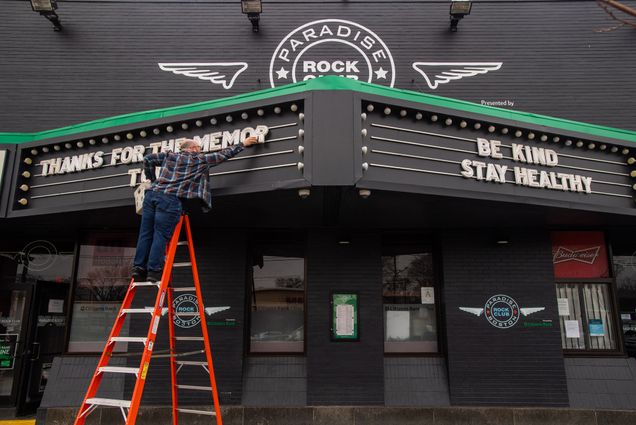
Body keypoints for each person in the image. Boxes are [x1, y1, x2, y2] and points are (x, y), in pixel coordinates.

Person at [131, 136, 258, 282]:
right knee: (160, 234)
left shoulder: (169, 156)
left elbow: (147, 159)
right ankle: (153, 271)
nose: (200, 151)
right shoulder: (198, 160)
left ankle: (138, 268)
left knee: (145, 233)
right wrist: (243, 144)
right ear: (192, 149)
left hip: (151, 196)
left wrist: (153, 180)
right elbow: (223, 154)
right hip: (169, 199)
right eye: (199, 148)